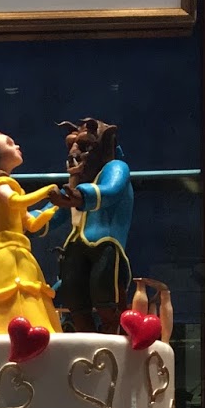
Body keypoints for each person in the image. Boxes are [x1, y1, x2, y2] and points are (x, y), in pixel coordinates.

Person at [0, 130, 62, 337]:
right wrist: (45, 192)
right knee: (5, 293)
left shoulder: (14, 186)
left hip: (20, 253)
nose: (17, 146)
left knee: (28, 293)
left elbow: (31, 224)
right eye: (9, 144)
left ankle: (28, 334)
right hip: (4, 254)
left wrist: (54, 208)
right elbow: (14, 202)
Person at [54, 116, 133, 333]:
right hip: (75, 246)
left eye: (84, 146)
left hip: (104, 244)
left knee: (104, 292)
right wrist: (25, 221)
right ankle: (86, 338)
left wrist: (81, 197)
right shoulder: (76, 184)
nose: (73, 153)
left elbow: (111, 190)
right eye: (71, 146)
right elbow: (54, 211)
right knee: (74, 294)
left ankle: (113, 337)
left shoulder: (116, 168)